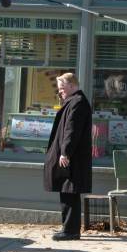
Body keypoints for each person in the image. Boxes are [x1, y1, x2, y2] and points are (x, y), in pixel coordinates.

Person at [43, 73, 92, 241]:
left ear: (72, 85)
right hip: (71, 156)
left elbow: (72, 130)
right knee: (67, 191)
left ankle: (71, 230)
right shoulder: (75, 101)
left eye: (62, 88)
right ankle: (68, 228)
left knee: (70, 192)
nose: (60, 92)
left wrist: (65, 152)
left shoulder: (77, 102)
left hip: (72, 158)